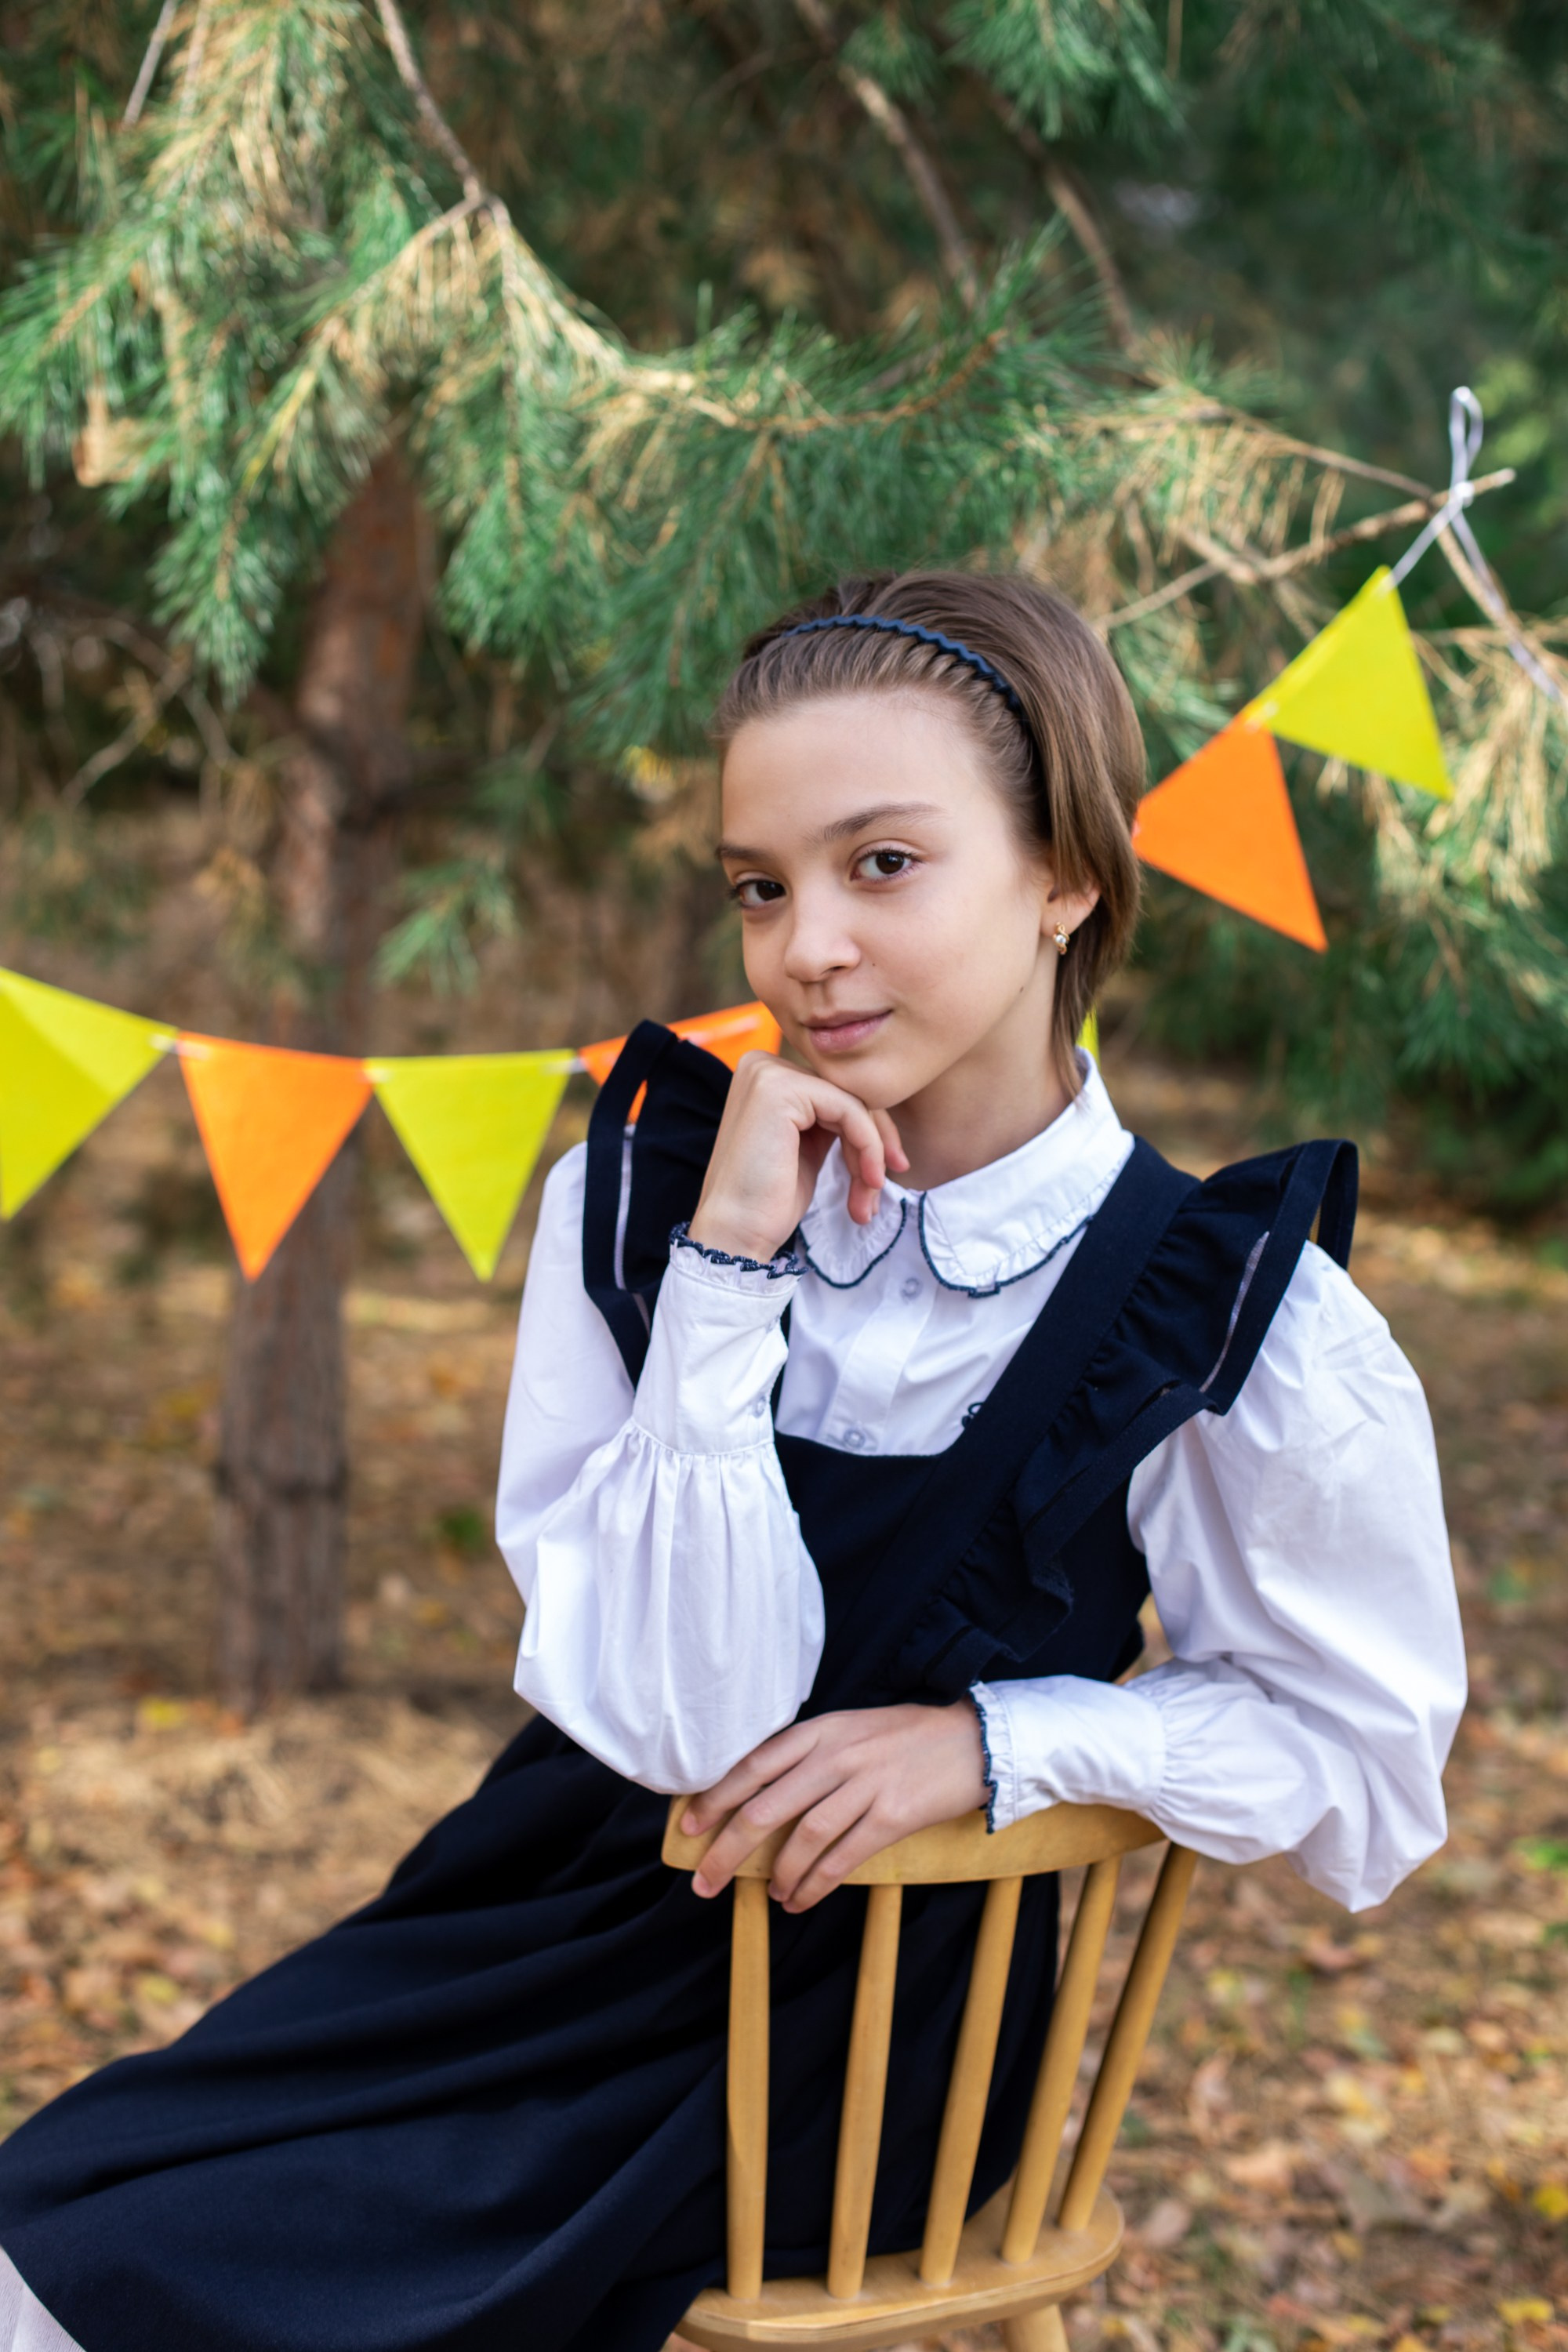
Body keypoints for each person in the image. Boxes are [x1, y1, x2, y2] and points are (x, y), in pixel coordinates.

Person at [0, 572, 1464, 2352]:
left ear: (1066, 876)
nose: (805, 949)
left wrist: (1004, 1738)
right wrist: (728, 1277)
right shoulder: (651, 1202)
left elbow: (1362, 1770)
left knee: (145, 2281)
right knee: (52, 2214)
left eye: (883, 866)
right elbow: (681, 1725)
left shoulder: (1221, 1304)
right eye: (759, 888)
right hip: (529, 1925)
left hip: (852, 2042)